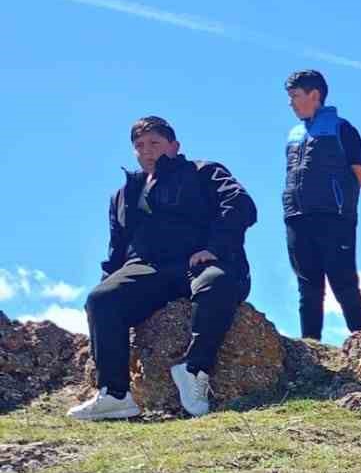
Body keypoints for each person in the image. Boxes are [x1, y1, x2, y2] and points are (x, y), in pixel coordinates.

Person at [70, 116, 257, 422]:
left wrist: (216, 247)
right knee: (102, 299)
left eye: (155, 143)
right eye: (140, 146)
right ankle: (115, 396)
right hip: (149, 270)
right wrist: (107, 300)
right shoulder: (123, 195)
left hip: (202, 261)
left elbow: (240, 204)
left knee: (216, 283)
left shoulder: (203, 172)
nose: (147, 151)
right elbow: (116, 250)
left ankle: (194, 370)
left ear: (174, 146)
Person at [282, 69, 361, 343]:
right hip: (297, 217)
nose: (291, 103)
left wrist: (337, 199)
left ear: (314, 95)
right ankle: (311, 348)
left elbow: (359, 175)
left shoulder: (343, 129)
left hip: (335, 218)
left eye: (295, 96)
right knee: (307, 286)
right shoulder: (294, 134)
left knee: (343, 282)